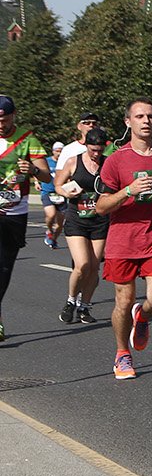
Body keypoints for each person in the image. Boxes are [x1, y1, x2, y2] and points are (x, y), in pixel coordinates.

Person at [96, 99, 152, 380]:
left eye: (150, 116)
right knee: (123, 301)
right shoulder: (116, 160)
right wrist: (128, 191)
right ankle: (122, 354)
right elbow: (101, 206)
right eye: (139, 116)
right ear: (128, 122)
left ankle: (143, 316)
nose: (146, 121)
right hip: (123, 241)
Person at [0, 94, 52, 343]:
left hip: (14, 209)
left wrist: (31, 169)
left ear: (13, 116)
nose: (1, 123)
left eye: (4, 118)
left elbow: (46, 176)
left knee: (5, 266)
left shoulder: (26, 138)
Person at [55, 127, 110, 326]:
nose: (96, 154)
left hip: (100, 221)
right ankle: (71, 300)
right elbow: (57, 184)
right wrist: (66, 192)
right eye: (92, 150)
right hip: (77, 219)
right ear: (86, 145)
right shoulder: (74, 161)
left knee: (94, 267)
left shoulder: (108, 163)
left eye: (99, 150)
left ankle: (85, 306)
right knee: (82, 265)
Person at [50, 112, 100, 248]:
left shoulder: (104, 147)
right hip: (77, 206)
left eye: (94, 123)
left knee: (95, 261)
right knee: (81, 260)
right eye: (87, 122)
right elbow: (58, 181)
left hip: (100, 210)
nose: (91, 125)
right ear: (79, 126)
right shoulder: (69, 150)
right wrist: (68, 190)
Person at [40, 142, 63, 249]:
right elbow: (37, 172)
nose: (59, 153)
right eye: (57, 151)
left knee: (60, 224)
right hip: (47, 192)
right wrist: (36, 182)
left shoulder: (65, 163)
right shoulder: (47, 161)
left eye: (61, 151)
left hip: (61, 194)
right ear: (53, 151)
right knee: (51, 214)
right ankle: (49, 230)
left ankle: (53, 239)